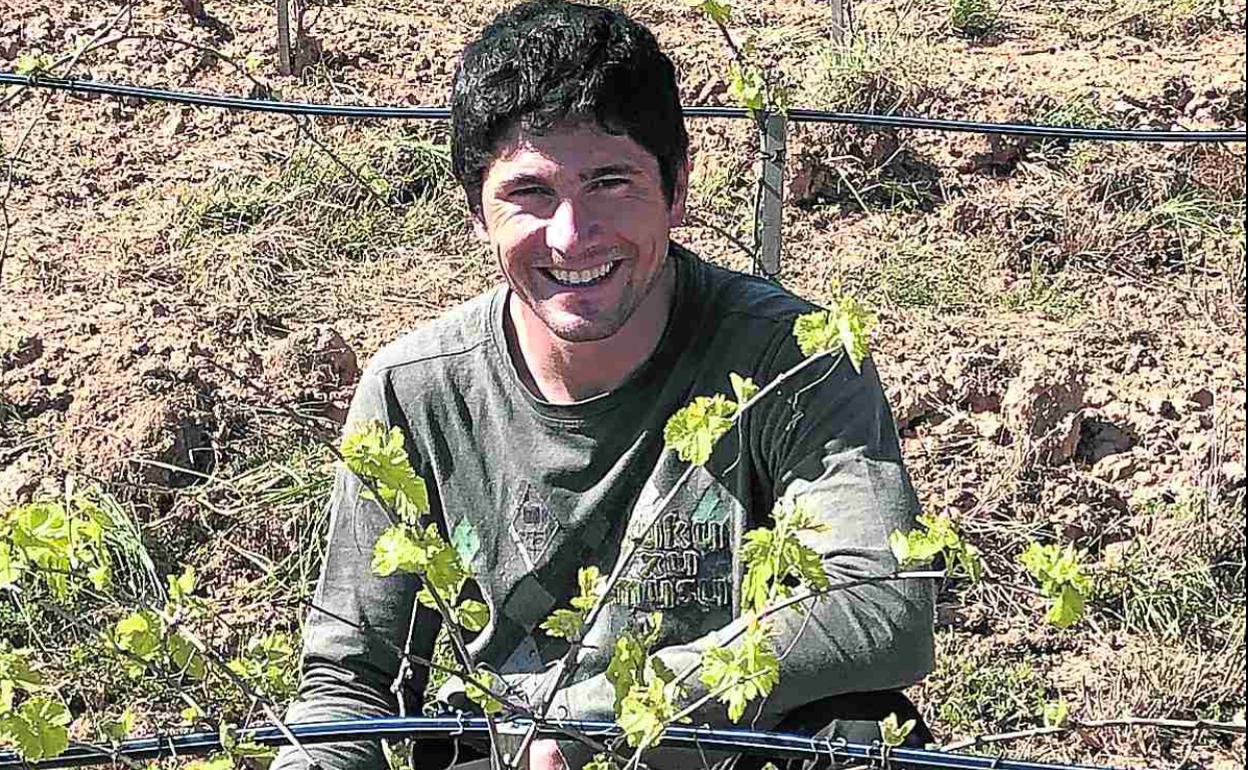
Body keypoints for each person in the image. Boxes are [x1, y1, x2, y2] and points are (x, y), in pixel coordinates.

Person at [273, 2, 935, 768]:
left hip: (712, 751)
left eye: (610, 182)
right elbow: (347, 685)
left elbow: (882, 605)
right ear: (477, 211)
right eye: (529, 193)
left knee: (864, 735)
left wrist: (607, 720)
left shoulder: (788, 361)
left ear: (677, 187)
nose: (571, 235)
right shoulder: (414, 393)